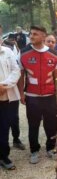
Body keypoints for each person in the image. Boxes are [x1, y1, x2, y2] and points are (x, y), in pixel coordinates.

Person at [18, 25, 57, 164]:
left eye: (35, 34)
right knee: (33, 125)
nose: (31, 36)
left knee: (51, 124)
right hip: (32, 96)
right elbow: (20, 75)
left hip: (50, 96)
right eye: (31, 34)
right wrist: (21, 93)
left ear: (43, 36)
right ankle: (34, 151)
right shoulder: (23, 53)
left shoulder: (55, 55)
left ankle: (50, 148)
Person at [0, 37, 21, 170]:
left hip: (6, 97)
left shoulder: (7, 51)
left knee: (4, 127)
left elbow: (16, 70)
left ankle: (3, 156)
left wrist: (3, 86)